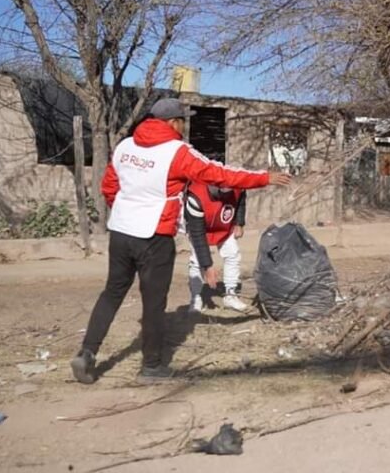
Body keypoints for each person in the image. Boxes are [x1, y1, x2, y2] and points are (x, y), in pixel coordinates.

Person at [71, 98, 291, 385]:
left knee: (112, 292)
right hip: (154, 235)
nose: (184, 126)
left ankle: (88, 352)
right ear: (174, 122)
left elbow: (109, 187)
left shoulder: (125, 146)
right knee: (153, 303)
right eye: (183, 120)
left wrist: (127, 211)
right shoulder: (178, 152)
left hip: (121, 232)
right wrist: (265, 177)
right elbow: (219, 173)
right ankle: (151, 367)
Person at [185, 182, 248, 313]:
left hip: (224, 226)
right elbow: (197, 233)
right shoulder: (196, 194)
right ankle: (195, 298)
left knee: (232, 254)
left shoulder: (237, 184)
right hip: (200, 228)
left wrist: (239, 222)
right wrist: (208, 265)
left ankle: (230, 295)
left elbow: (241, 197)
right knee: (197, 261)